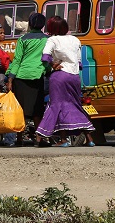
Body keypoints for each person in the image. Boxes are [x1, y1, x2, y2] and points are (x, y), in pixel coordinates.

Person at [35, 16, 95, 147]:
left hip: (60, 76)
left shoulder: (52, 40)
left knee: (57, 106)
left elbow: (45, 56)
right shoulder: (75, 39)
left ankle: (62, 140)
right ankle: (89, 139)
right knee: (75, 105)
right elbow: (79, 62)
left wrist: (53, 64)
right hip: (74, 77)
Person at [6, 13, 50, 147]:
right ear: (43, 25)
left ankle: (19, 139)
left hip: (21, 77)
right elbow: (47, 59)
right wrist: (48, 71)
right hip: (37, 76)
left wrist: (10, 79)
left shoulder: (23, 39)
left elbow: (17, 60)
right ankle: (39, 139)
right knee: (37, 110)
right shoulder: (47, 39)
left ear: (30, 24)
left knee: (20, 110)